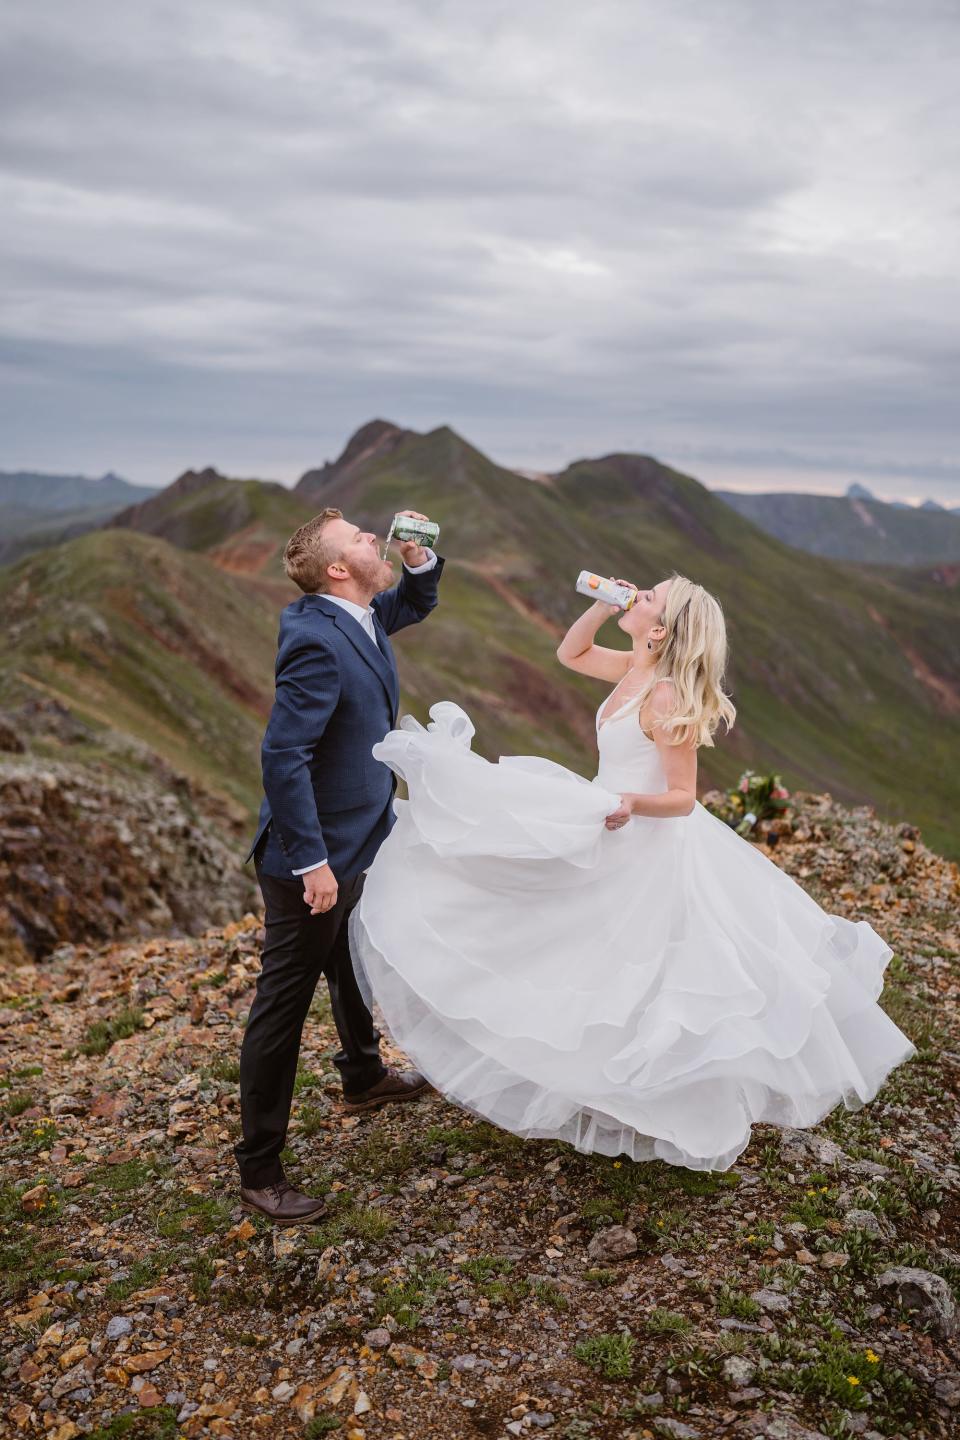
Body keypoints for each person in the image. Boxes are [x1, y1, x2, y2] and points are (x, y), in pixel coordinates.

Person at [349, 573, 914, 1172]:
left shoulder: (665, 695)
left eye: (647, 597)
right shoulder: (634, 669)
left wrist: (630, 805)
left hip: (647, 839)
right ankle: (600, 1076)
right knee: (589, 951)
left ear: (662, 629)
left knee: (650, 969)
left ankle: (658, 1090)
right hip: (607, 821)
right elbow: (571, 653)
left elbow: (683, 796)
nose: (636, 596)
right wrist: (598, 608)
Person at [235, 508, 444, 1223]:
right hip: (312, 859)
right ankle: (259, 1171)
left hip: (358, 838)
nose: (373, 540)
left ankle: (362, 1074)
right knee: (281, 1009)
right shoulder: (318, 642)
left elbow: (412, 600)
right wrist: (313, 862)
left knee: (350, 957)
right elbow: (282, 757)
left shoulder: (359, 616)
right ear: (335, 569)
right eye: (362, 539)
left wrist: (416, 560)